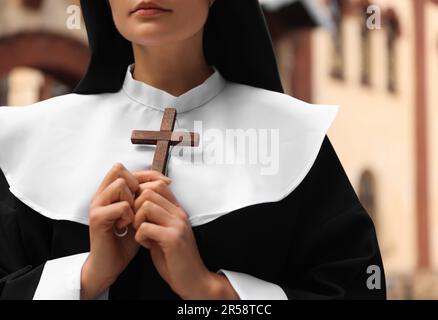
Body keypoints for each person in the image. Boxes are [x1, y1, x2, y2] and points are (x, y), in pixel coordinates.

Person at [0, 0, 386, 300]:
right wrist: (86, 277)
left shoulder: (291, 137)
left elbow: (356, 288)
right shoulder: (35, 140)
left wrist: (213, 291)